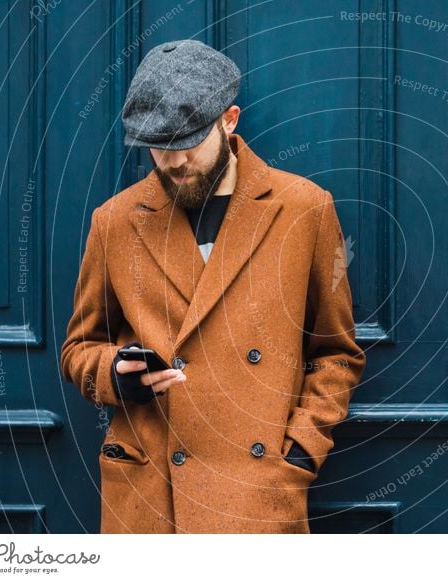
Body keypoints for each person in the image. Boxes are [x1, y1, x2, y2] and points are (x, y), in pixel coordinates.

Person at [59, 39, 366, 533]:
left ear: (229, 120)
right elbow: (78, 348)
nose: (173, 162)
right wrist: (115, 374)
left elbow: (337, 354)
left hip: (259, 492)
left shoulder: (305, 209)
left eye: (188, 143)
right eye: (158, 146)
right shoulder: (114, 222)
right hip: (151, 497)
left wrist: (301, 452)